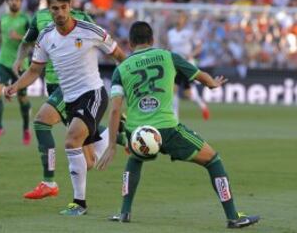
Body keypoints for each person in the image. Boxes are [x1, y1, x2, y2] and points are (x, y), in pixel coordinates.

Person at [97, 21, 260, 229]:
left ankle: (125, 212)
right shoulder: (168, 56)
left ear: (130, 44)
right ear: (152, 40)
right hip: (168, 130)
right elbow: (202, 77)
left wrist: (112, 145)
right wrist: (213, 83)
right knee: (213, 160)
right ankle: (233, 217)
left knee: (135, 160)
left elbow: (115, 110)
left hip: (138, 133)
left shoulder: (121, 69)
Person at [4, 0, 126, 215]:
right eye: (54, 8)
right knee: (86, 161)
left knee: (70, 141)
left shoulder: (90, 30)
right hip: (69, 98)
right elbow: (34, 70)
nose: (59, 13)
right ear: (48, 9)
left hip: (93, 94)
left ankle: (79, 204)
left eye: (62, 7)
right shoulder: (46, 36)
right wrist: (14, 86)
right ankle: (114, 132)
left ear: (70, 6)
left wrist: (126, 84)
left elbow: (120, 56)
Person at [0, 0, 31, 145]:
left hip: (20, 64)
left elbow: (34, 41)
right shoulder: (3, 19)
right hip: (3, 61)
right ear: (8, 2)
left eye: (17, 0)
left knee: (22, 98)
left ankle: (26, 128)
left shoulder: (26, 19)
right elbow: (3, 36)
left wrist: (19, 37)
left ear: (21, 2)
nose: (14, 2)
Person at [167, 11, 210, 120]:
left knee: (188, 93)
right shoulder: (170, 33)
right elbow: (170, 48)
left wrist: (191, 54)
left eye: (180, 17)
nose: (177, 19)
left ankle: (202, 105)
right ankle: (175, 117)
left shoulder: (189, 33)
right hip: (175, 64)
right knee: (174, 89)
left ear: (184, 20)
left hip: (187, 64)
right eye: (176, 17)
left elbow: (199, 46)